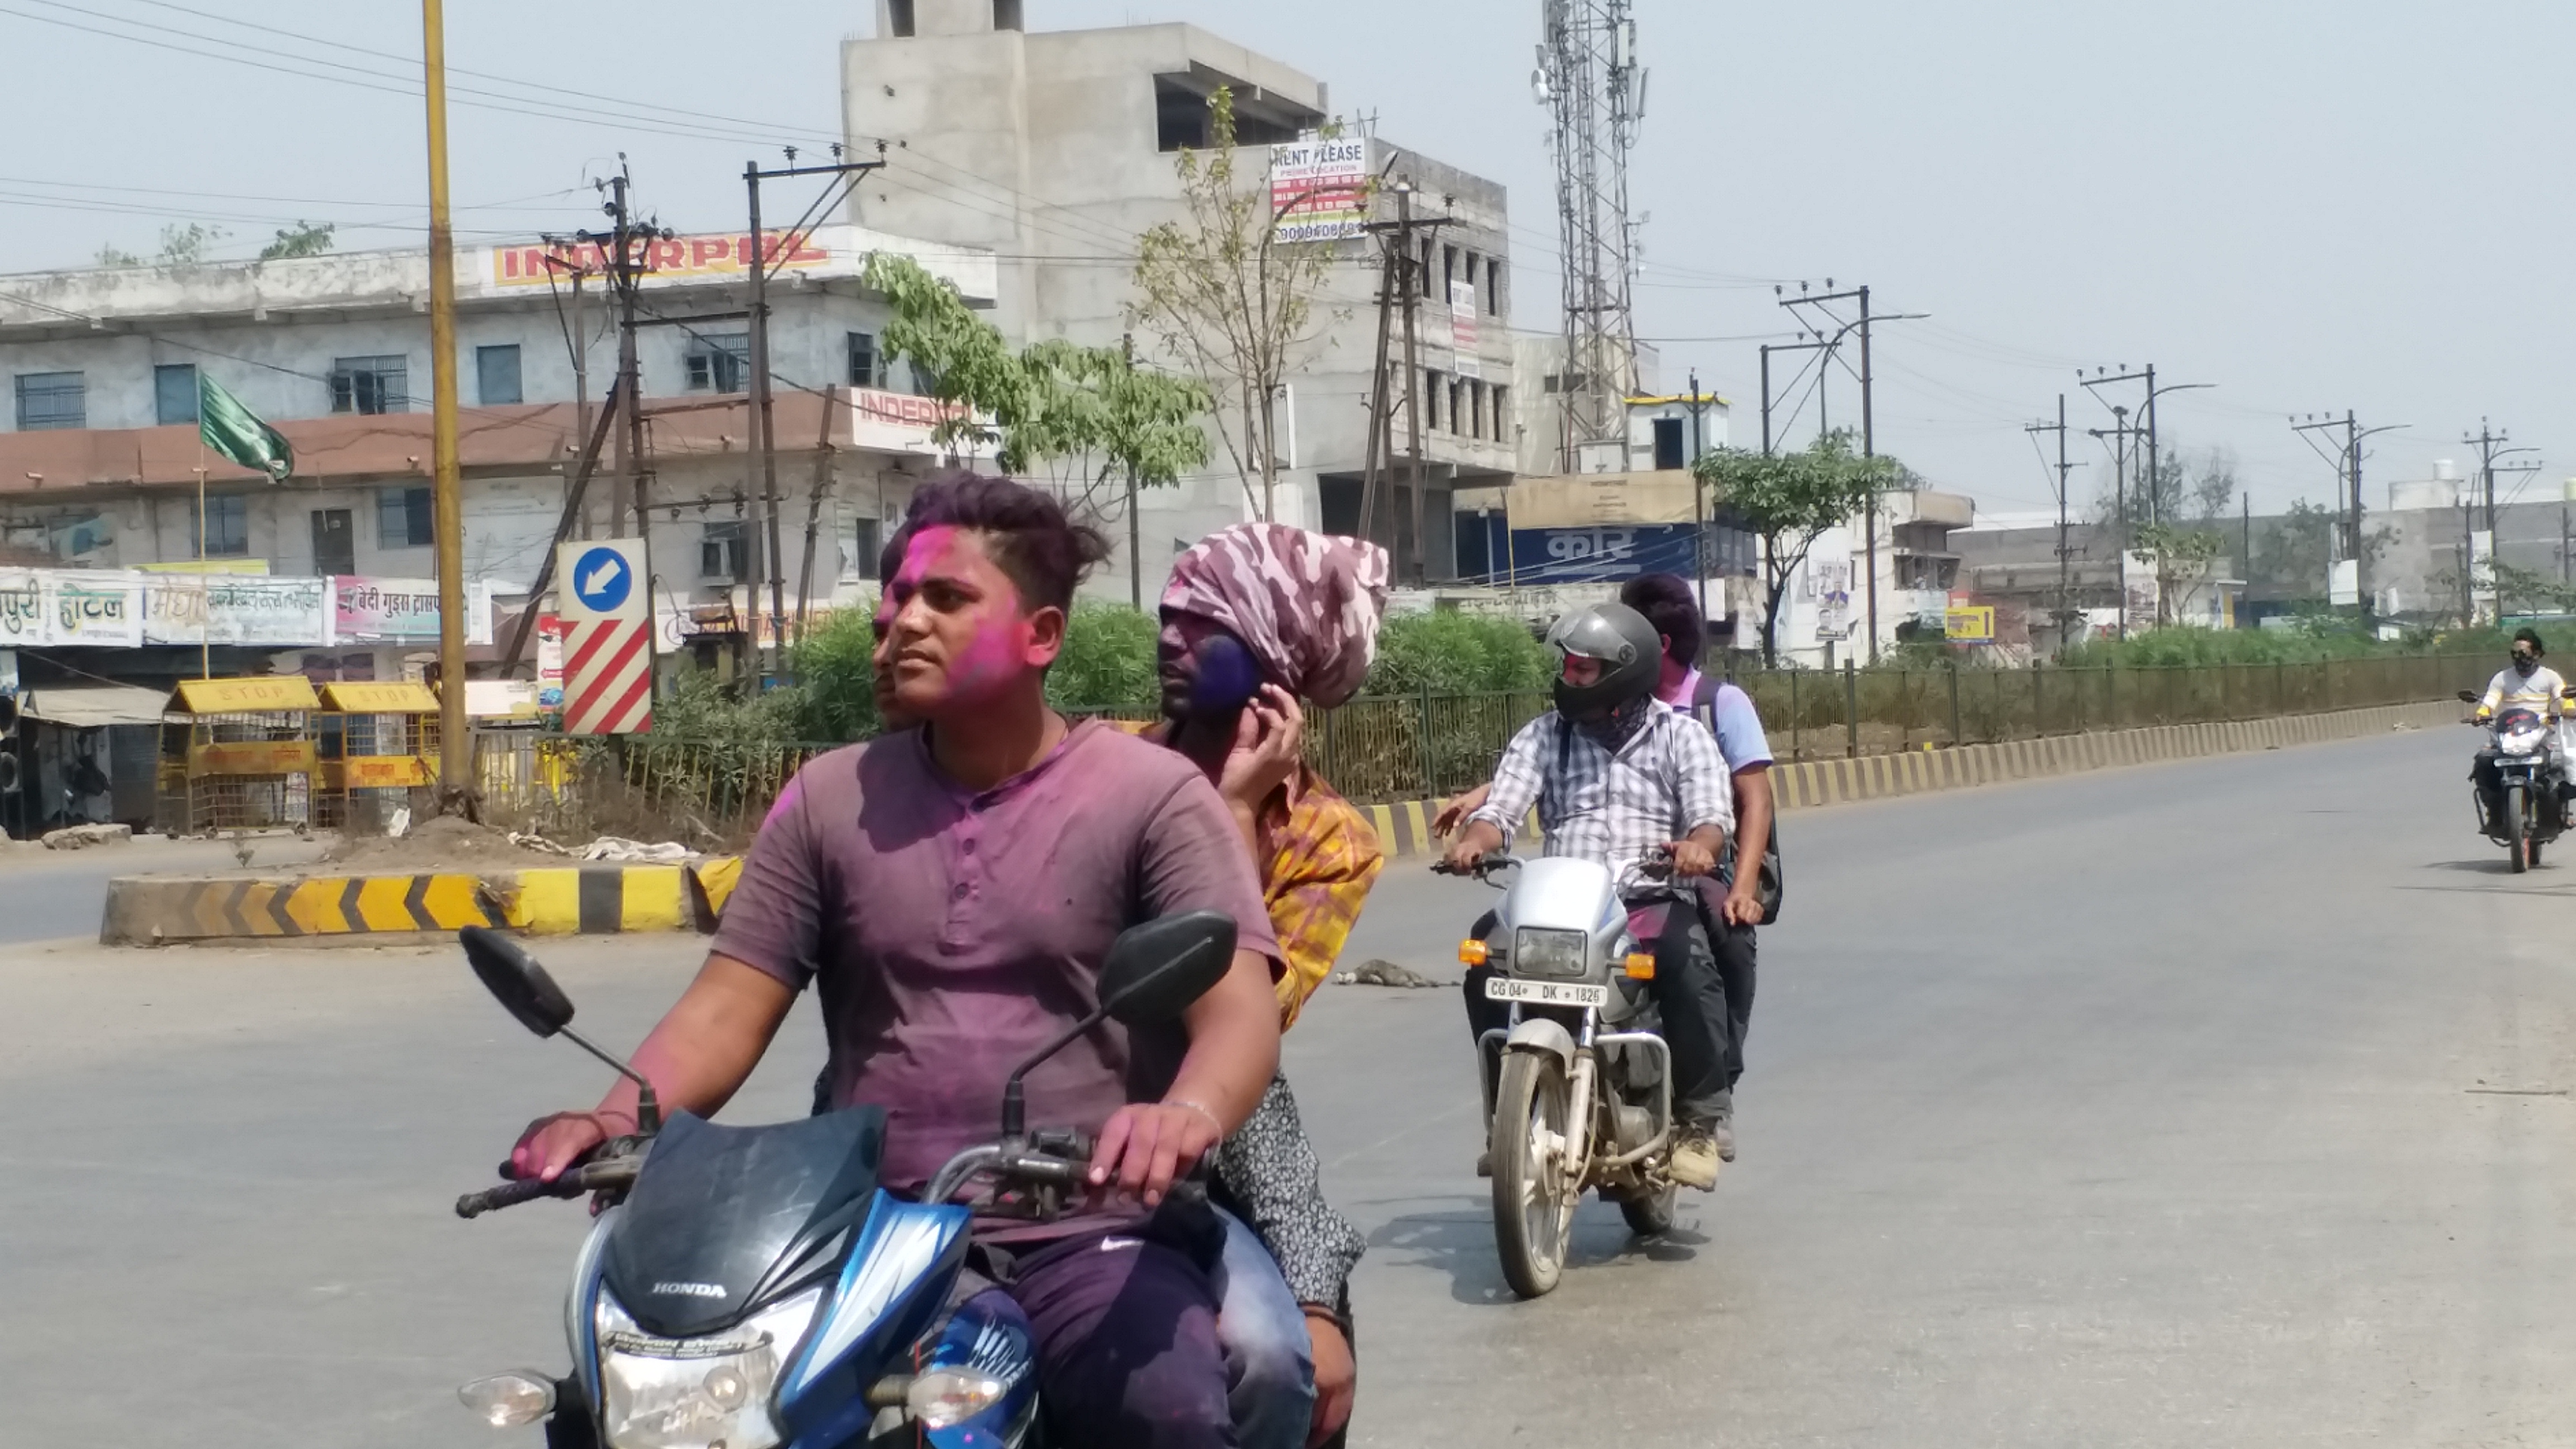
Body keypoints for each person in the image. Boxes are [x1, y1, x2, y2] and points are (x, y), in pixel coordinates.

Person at [509, 472, 1285, 1449]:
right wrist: (614, 1117)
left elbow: (1236, 1010)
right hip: (875, 1234)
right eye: (896, 603)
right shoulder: (829, 799)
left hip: (1088, 1228)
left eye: (946, 599)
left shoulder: (1153, 795)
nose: (904, 622)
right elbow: (725, 1008)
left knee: (1165, 1409)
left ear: (1041, 636)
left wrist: (1184, 1113)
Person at [1131, 520, 1391, 1449]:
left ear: (1274, 656)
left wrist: (1234, 813)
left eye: (1200, 627)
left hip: (1214, 1119)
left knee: (1299, 1356)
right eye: (1166, 617)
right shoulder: (1101, 765)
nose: (1168, 640)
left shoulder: (1330, 840)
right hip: (1058, 1101)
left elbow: (1245, 1017)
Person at [1438, 574, 1773, 1161]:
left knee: (1686, 956)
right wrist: (1477, 840)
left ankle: (1700, 1120)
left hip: (1644, 899)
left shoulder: (1684, 737)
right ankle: (1506, 1118)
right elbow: (1504, 809)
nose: (1568, 678)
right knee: (1482, 952)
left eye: (1582, 669)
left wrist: (1699, 846)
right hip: (1561, 902)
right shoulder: (1544, 736)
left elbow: (1712, 818)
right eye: (1567, 666)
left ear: (1624, 670)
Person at [2472, 626, 2570, 818]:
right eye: (2515, 653)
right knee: (2484, 760)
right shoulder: (2502, 678)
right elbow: (2490, 701)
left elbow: (2563, 697)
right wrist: (2482, 713)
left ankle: (2561, 811)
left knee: (2562, 763)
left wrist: (2568, 710)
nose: (2520, 658)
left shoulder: (2550, 677)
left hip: (2540, 733)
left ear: (2537, 654)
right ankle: (2494, 809)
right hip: (2507, 733)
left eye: (2524, 653)